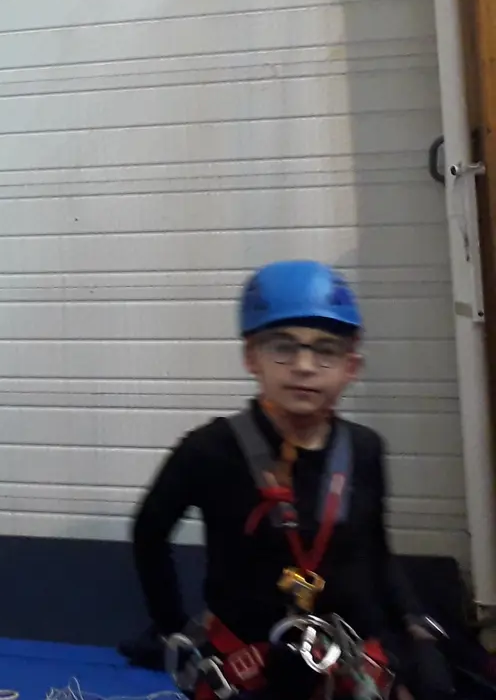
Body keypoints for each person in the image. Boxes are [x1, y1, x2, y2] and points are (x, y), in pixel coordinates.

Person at [132, 261, 453, 700]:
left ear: (350, 366)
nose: (304, 366)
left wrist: (416, 630)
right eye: (283, 347)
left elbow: (376, 550)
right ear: (251, 358)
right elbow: (148, 532)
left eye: (326, 351)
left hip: (349, 660)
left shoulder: (364, 450)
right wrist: (171, 629)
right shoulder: (209, 450)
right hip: (249, 664)